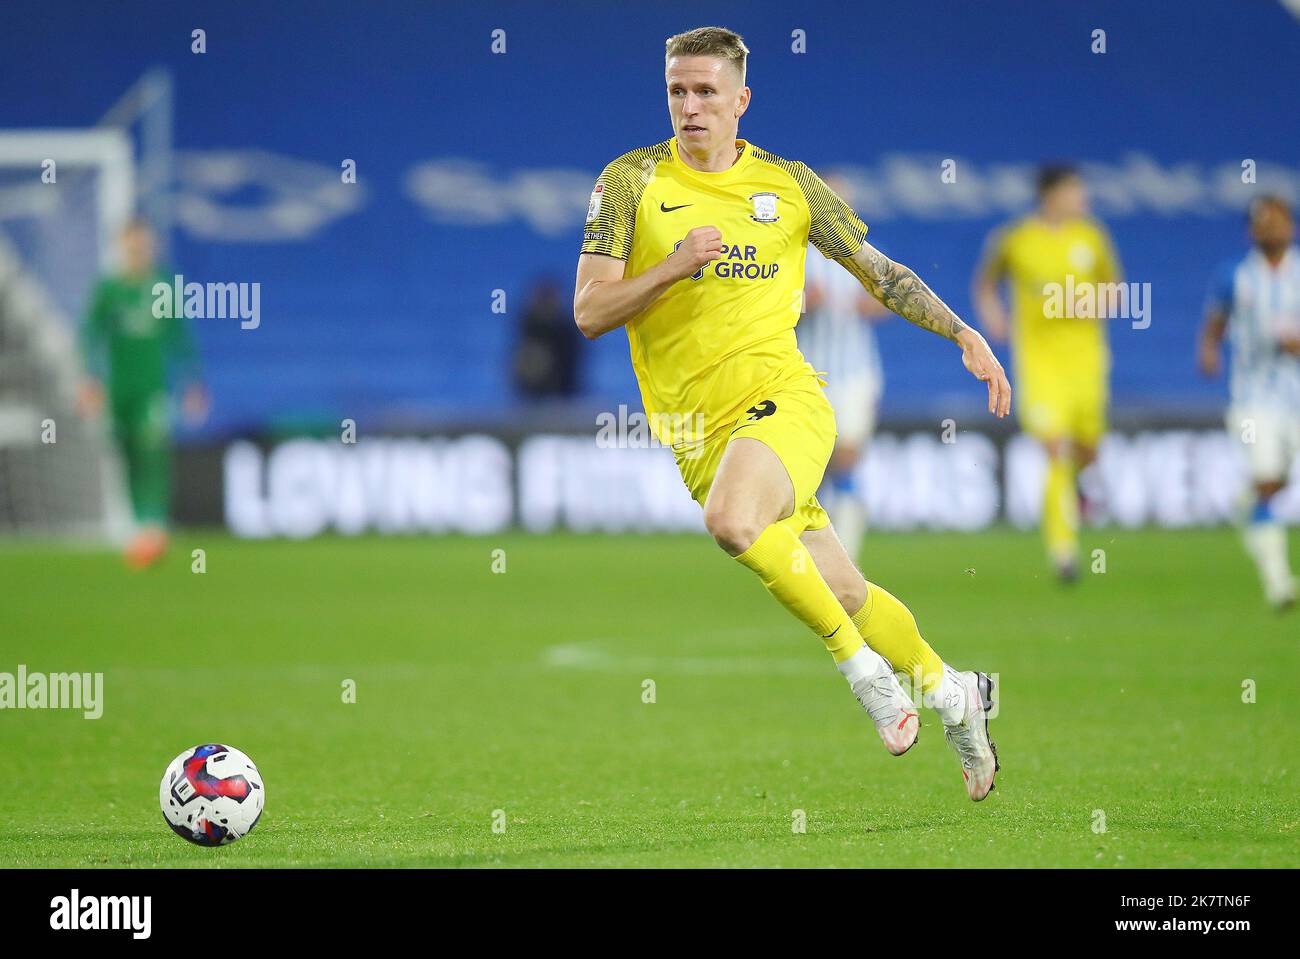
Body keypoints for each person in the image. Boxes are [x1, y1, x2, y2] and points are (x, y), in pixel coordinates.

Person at [573, 26, 1009, 800]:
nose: (690, 106)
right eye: (677, 90)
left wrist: (962, 331)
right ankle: (956, 692)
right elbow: (589, 310)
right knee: (843, 589)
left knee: (734, 524)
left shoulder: (793, 187)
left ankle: (865, 675)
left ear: (741, 99)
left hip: (788, 402)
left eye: (706, 91)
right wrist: (674, 266)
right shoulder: (629, 181)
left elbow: (879, 272)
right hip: (697, 432)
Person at [973, 164, 1122, 581]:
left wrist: (1086, 304)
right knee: (1056, 449)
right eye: (1075, 192)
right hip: (1039, 366)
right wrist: (994, 316)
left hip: (1087, 363)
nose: (1082, 200)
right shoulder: (1017, 238)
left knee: (1087, 451)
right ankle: (1063, 551)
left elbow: (1116, 293)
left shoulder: (1091, 237)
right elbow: (986, 281)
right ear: (1051, 195)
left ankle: (1077, 489)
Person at [78, 218, 207, 568]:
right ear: (123, 246)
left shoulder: (164, 285)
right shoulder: (109, 289)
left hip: (153, 387)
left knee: (153, 451)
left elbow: (179, 336)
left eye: (144, 243)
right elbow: (90, 335)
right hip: (120, 388)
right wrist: (90, 380)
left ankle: (153, 526)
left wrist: (193, 382)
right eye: (133, 243)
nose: (139, 249)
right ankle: (139, 528)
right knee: (127, 454)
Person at [1199, 195, 1300, 610]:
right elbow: (1216, 322)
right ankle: (1279, 585)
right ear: (1250, 231)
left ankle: (1247, 500)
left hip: (1295, 397)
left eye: (1277, 221)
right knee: (1266, 482)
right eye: (1262, 223)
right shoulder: (1235, 277)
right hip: (1252, 399)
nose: (1270, 229)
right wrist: (1208, 350)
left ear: (1290, 227)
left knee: (1277, 484)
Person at [800, 212, 889, 561]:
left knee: (848, 456)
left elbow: (889, 301)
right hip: (807, 374)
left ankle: (846, 553)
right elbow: (773, 309)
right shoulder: (791, 255)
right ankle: (811, 550)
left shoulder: (864, 253)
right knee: (812, 467)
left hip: (855, 374)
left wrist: (872, 303)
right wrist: (806, 302)